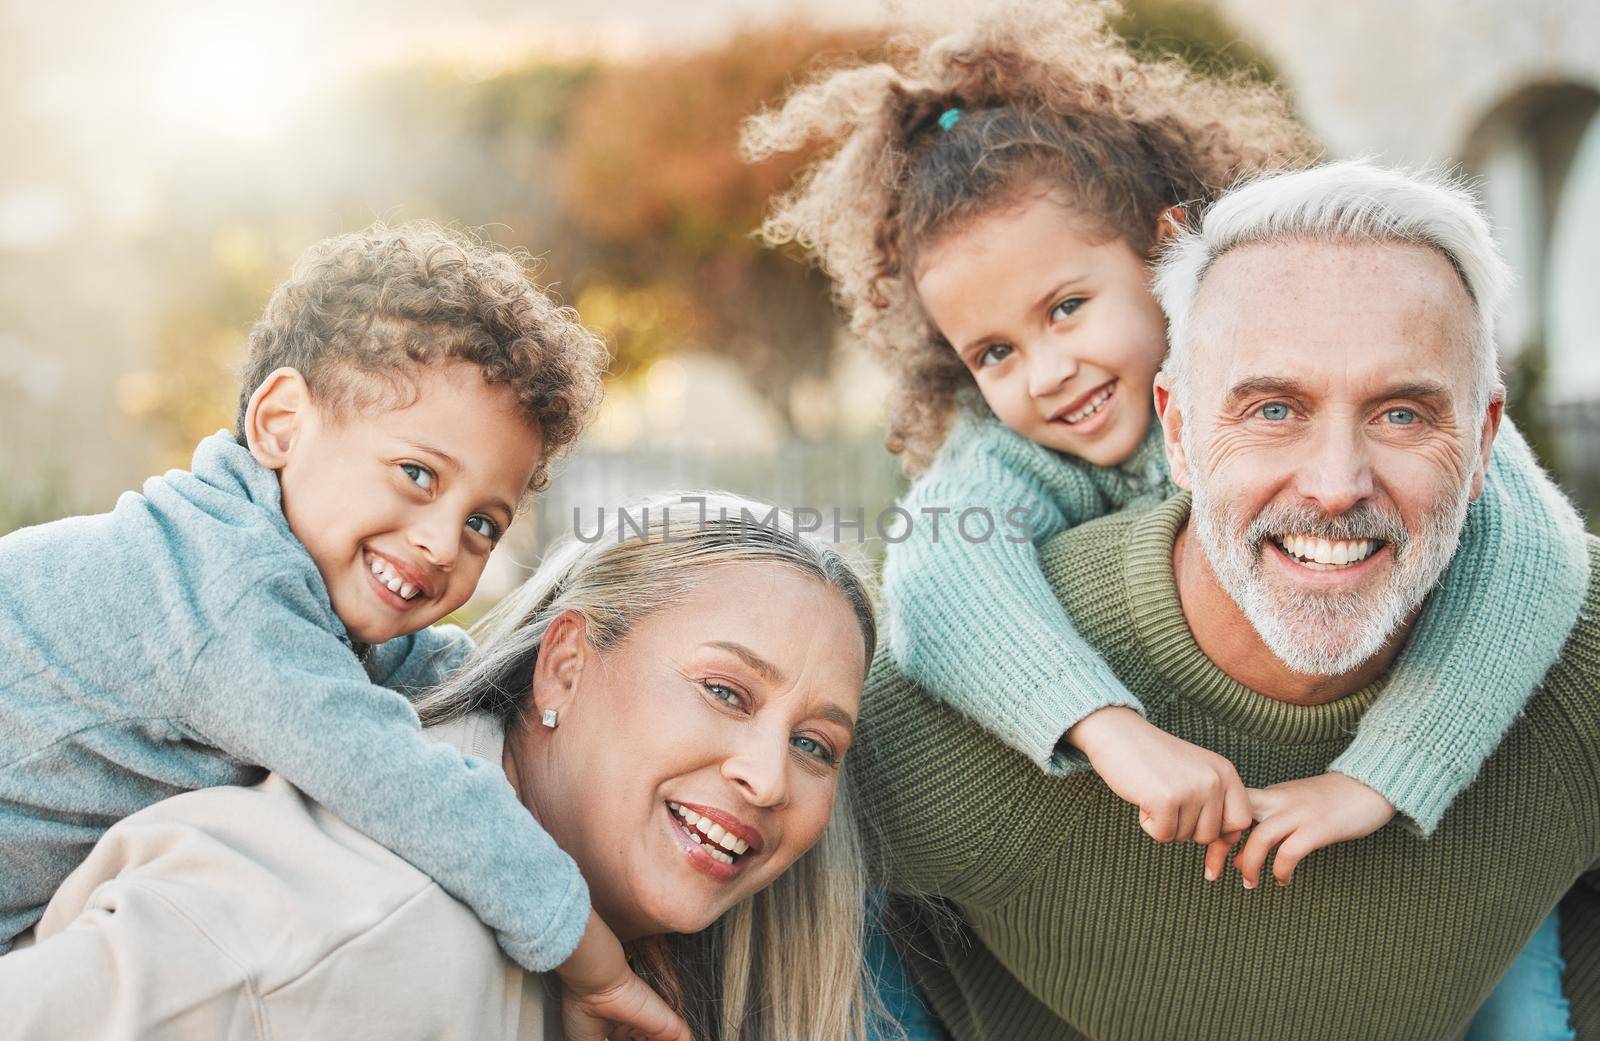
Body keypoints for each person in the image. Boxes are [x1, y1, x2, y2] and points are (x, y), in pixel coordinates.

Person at [743, 6, 1586, 1035]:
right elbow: (942, 580)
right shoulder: (1014, 455)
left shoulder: (1351, 402)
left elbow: (1536, 554)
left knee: (1518, 987)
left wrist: (1383, 776)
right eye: (993, 353)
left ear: (1164, 253)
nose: (1047, 373)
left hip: (1442, 870)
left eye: (1064, 309)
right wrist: (1113, 734)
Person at [0, 223, 687, 1038]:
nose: (441, 542)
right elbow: (401, 782)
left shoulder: (288, 580)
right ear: (282, 423)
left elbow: (427, 667)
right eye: (417, 474)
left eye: (482, 524)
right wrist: (592, 958)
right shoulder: (229, 593)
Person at [1, 492, 882, 1041]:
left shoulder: (630, 942)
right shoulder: (360, 925)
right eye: (725, 691)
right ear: (566, 664)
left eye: (814, 745)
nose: (767, 778)